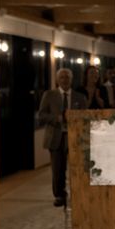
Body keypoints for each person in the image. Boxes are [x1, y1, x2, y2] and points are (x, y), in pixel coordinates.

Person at [38, 68, 87, 207]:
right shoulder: (49, 95)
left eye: (67, 77)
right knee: (57, 170)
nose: (65, 80)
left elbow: (86, 117)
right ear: (57, 80)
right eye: (62, 78)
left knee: (77, 168)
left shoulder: (80, 97)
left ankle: (78, 193)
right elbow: (41, 116)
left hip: (75, 138)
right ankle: (59, 195)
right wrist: (56, 118)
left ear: (71, 80)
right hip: (55, 138)